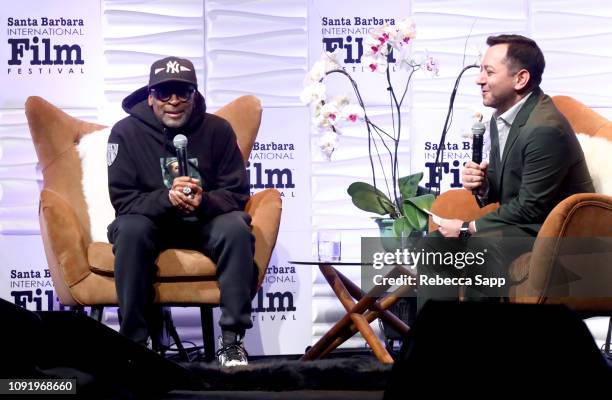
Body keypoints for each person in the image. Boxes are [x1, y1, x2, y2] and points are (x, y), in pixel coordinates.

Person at [419, 34, 594, 305]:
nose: (479, 79)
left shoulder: (546, 128)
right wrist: (483, 184)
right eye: (480, 70)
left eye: (489, 72)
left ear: (520, 79)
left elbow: (531, 207)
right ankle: (438, 342)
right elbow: (508, 186)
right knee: (434, 245)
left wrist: (466, 228)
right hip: (521, 226)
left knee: (479, 248)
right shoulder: (501, 117)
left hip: (556, 234)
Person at [107, 56, 257, 367]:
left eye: (183, 92)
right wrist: (166, 199)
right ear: (150, 96)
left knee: (236, 227)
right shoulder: (125, 133)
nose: (174, 101)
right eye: (165, 93)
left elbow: (237, 192)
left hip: (205, 222)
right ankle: (135, 343)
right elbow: (124, 200)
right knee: (130, 229)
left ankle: (231, 342)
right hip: (152, 224)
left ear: (194, 95)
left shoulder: (217, 130)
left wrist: (205, 201)